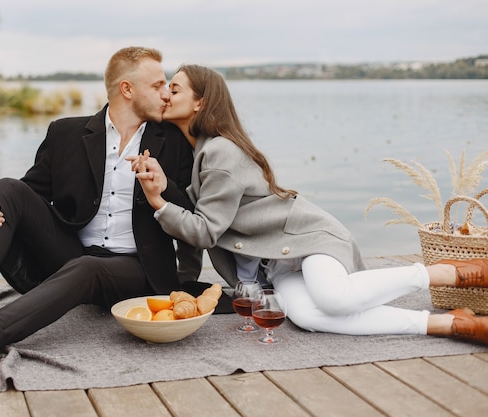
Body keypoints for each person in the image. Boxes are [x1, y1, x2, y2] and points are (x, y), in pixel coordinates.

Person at [128, 63, 488, 346]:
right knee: (307, 317)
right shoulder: (202, 150)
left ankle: (449, 272)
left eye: (173, 88)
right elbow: (199, 213)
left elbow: (205, 231)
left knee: (333, 298)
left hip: (307, 239)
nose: (165, 95)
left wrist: (159, 201)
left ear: (200, 102)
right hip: (279, 263)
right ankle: (449, 323)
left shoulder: (220, 151)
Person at [0, 47, 202, 372]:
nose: (166, 95)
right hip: (69, 254)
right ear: (127, 89)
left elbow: (190, 219)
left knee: (89, 267)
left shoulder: (174, 142)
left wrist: (163, 190)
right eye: (158, 85)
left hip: (136, 269)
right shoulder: (65, 133)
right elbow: (24, 197)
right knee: (6, 187)